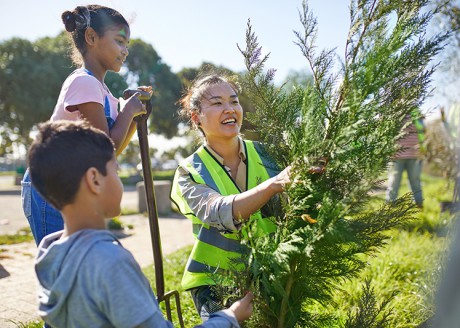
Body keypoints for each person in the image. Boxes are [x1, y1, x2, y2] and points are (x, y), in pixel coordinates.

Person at [29, 120, 253, 328]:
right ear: (95, 180)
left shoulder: (50, 254)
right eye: (115, 170)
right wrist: (228, 317)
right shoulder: (110, 262)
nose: (118, 178)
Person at [21, 4, 151, 245]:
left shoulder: (103, 93)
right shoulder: (84, 83)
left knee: (77, 260)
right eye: (119, 42)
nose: (125, 51)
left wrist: (134, 115)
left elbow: (108, 154)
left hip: (69, 185)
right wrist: (129, 110)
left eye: (127, 45)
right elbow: (105, 148)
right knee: (64, 264)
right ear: (92, 37)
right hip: (49, 186)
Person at [170, 73, 291, 321]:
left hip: (271, 274)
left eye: (234, 101)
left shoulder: (269, 155)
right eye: (217, 103)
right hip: (214, 283)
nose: (230, 109)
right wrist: (272, 186)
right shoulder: (189, 172)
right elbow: (218, 211)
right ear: (196, 118)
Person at [386, 113, 425, 208]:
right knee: (394, 182)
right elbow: (388, 132)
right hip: (396, 155)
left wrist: (422, 148)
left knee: (415, 181)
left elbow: (422, 131)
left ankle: (418, 204)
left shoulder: (416, 112)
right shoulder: (395, 111)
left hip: (414, 154)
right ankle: (389, 206)